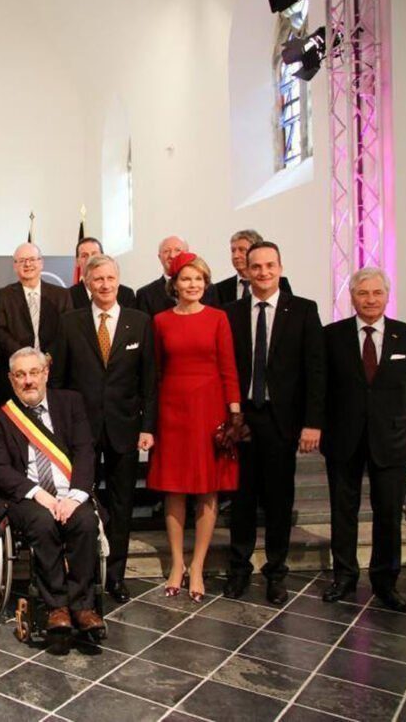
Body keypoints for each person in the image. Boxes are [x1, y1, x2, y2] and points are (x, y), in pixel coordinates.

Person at [321, 267, 406, 612]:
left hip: (392, 440)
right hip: (343, 438)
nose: (370, 299)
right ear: (351, 297)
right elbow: (322, 389)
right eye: (363, 293)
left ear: (386, 295)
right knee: (343, 511)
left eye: (376, 293)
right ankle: (344, 577)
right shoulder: (331, 336)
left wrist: (392, 421)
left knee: (387, 514)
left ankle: (386, 582)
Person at [222, 243, 323, 605]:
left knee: (279, 502)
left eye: (269, 265)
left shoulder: (303, 310)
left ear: (280, 267)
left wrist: (313, 423)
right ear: (245, 271)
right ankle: (238, 569)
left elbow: (315, 370)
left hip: (283, 421)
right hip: (242, 420)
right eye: (255, 266)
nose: (263, 272)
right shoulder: (230, 313)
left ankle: (276, 573)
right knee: (242, 501)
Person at [51, 254, 156, 604]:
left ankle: (116, 576)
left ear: (119, 280)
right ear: (87, 283)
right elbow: (61, 384)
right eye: (98, 280)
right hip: (79, 432)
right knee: (79, 501)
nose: (105, 285)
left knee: (122, 503)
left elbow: (149, 382)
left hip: (125, 429)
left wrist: (147, 426)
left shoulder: (140, 322)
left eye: (111, 278)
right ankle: (83, 572)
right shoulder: (69, 323)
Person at [0, 347, 104, 642]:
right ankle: (56, 607)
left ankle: (83, 606)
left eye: (34, 373)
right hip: (27, 498)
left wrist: (76, 496)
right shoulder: (2, 418)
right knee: (42, 523)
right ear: (12, 380)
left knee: (86, 523)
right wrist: (39, 494)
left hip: (69, 493)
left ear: (46, 374)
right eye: (21, 375)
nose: (28, 381)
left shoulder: (71, 403)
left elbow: (85, 451)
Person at [148, 252, 241, 602]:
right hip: (172, 412)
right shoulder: (160, 321)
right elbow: (155, 372)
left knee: (207, 489)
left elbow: (229, 369)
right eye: (186, 279)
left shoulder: (218, 318)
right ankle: (176, 564)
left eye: (199, 279)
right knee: (174, 489)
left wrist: (235, 416)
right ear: (175, 284)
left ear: (206, 283)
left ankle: (198, 565)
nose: (193, 285)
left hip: (210, 411)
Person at [0, 242, 71, 377]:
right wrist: (25, 359)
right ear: (15, 266)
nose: (27, 264)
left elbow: (68, 330)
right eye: (22, 261)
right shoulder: (1, 296)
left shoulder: (61, 295)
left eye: (32, 259)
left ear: (41, 263)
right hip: (15, 371)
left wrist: (48, 357)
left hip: (53, 370)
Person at [135, 236, 217, 316]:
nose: (172, 256)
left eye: (177, 250)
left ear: (187, 254)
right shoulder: (145, 294)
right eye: (166, 251)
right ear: (159, 257)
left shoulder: (209, 290)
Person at [215, 230, 293, 305]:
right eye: (233, 251)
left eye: (242, 250)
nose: (236, 256)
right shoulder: (219, 289)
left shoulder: (280, 283)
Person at [68, 237, 135, 311]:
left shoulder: (126, 294)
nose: (90, 259)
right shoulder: (68, 296)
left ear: (103, 256)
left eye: (94, 254)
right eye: (84, 256)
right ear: (77, 261)